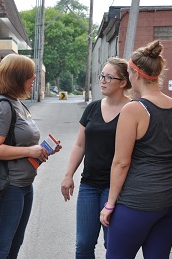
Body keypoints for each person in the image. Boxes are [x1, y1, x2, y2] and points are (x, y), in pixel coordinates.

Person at [100, 40, 172, 259]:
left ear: (136, 74)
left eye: (129, 73)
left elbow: (121, 162)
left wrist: (110, 204)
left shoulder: (134, 109)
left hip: (140, 201)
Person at [0, 54, 62, 258]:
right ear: (16, 77)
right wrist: (30, 151)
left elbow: (18, 141)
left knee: (12, 246)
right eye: (29, 74)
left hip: (22, 185)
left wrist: (42, 149)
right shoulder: (3, 106)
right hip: (7, 187)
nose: (34, 77)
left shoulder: (16, 103)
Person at [61, 57, 132, 258]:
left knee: (113, 244)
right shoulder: (93, 108)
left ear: (123, 82)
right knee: (83, 244)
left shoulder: (132, 110)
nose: (103, 80)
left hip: (118, 188)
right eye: (102, 76)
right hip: (89, 186)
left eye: (109, 77)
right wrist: (68, 175)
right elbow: (80, 144)